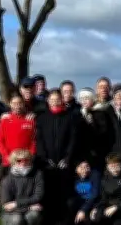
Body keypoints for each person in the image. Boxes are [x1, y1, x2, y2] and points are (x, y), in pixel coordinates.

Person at [36, 89, 78, 222]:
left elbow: (73, 139)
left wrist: (67, 158)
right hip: (47, 164)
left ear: (62, 100)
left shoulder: (70, 117)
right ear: (48, 101)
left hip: (64, 164)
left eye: (57, 99)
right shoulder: (42, 118)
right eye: (52, 100)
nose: (55, 102)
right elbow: (39, 140)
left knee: (64, 196)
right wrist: (44, 158)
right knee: (48, 196)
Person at [0, 93, 37, 174]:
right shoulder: (4, 120)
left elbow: (34, 140)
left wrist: (30, 155)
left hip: (26, 162)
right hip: (8, 162)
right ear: (10, 104)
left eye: (20, 103)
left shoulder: (30, 120)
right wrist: (7, 157)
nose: (17, 106)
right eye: (14, 103)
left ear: (24, 104)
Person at [0, 149, 45, 225]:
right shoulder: (7, 180)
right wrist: (28, 207)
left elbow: (38, 196)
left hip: (26, 209)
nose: (23, 163)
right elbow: (6, 205)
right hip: (12, 213)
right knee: (17, 220)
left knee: (33, 216)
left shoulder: (37, 175)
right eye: (19, 161)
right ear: (13, 162)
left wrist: (16, 204)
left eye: (26, 160)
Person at [92, 152, 121, 225]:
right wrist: (96, 208)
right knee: (96, 217)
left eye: (117, 166)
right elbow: (103, 198)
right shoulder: (105, 179)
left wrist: (116, 207)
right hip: (108, 206)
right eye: (112, 166)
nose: (115, 169)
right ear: (107, 167)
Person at [75, 88, 112, 172]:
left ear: (92, 100)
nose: (84, 101)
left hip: (97, 152)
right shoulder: (78, 114)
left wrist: (91, 122)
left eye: (87, 98)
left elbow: (103, 132)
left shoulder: (100, 113)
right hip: (82, 154)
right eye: (82, 99)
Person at [69, 160, 101, 224]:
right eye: (81, 167)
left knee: (94, 217)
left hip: (92, 204)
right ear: (76, 169)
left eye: (87, 166)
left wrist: (83, 210)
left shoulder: (95, 175)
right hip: (80, 205)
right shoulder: (73, 178)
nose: (84, 169)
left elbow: (94, 195)